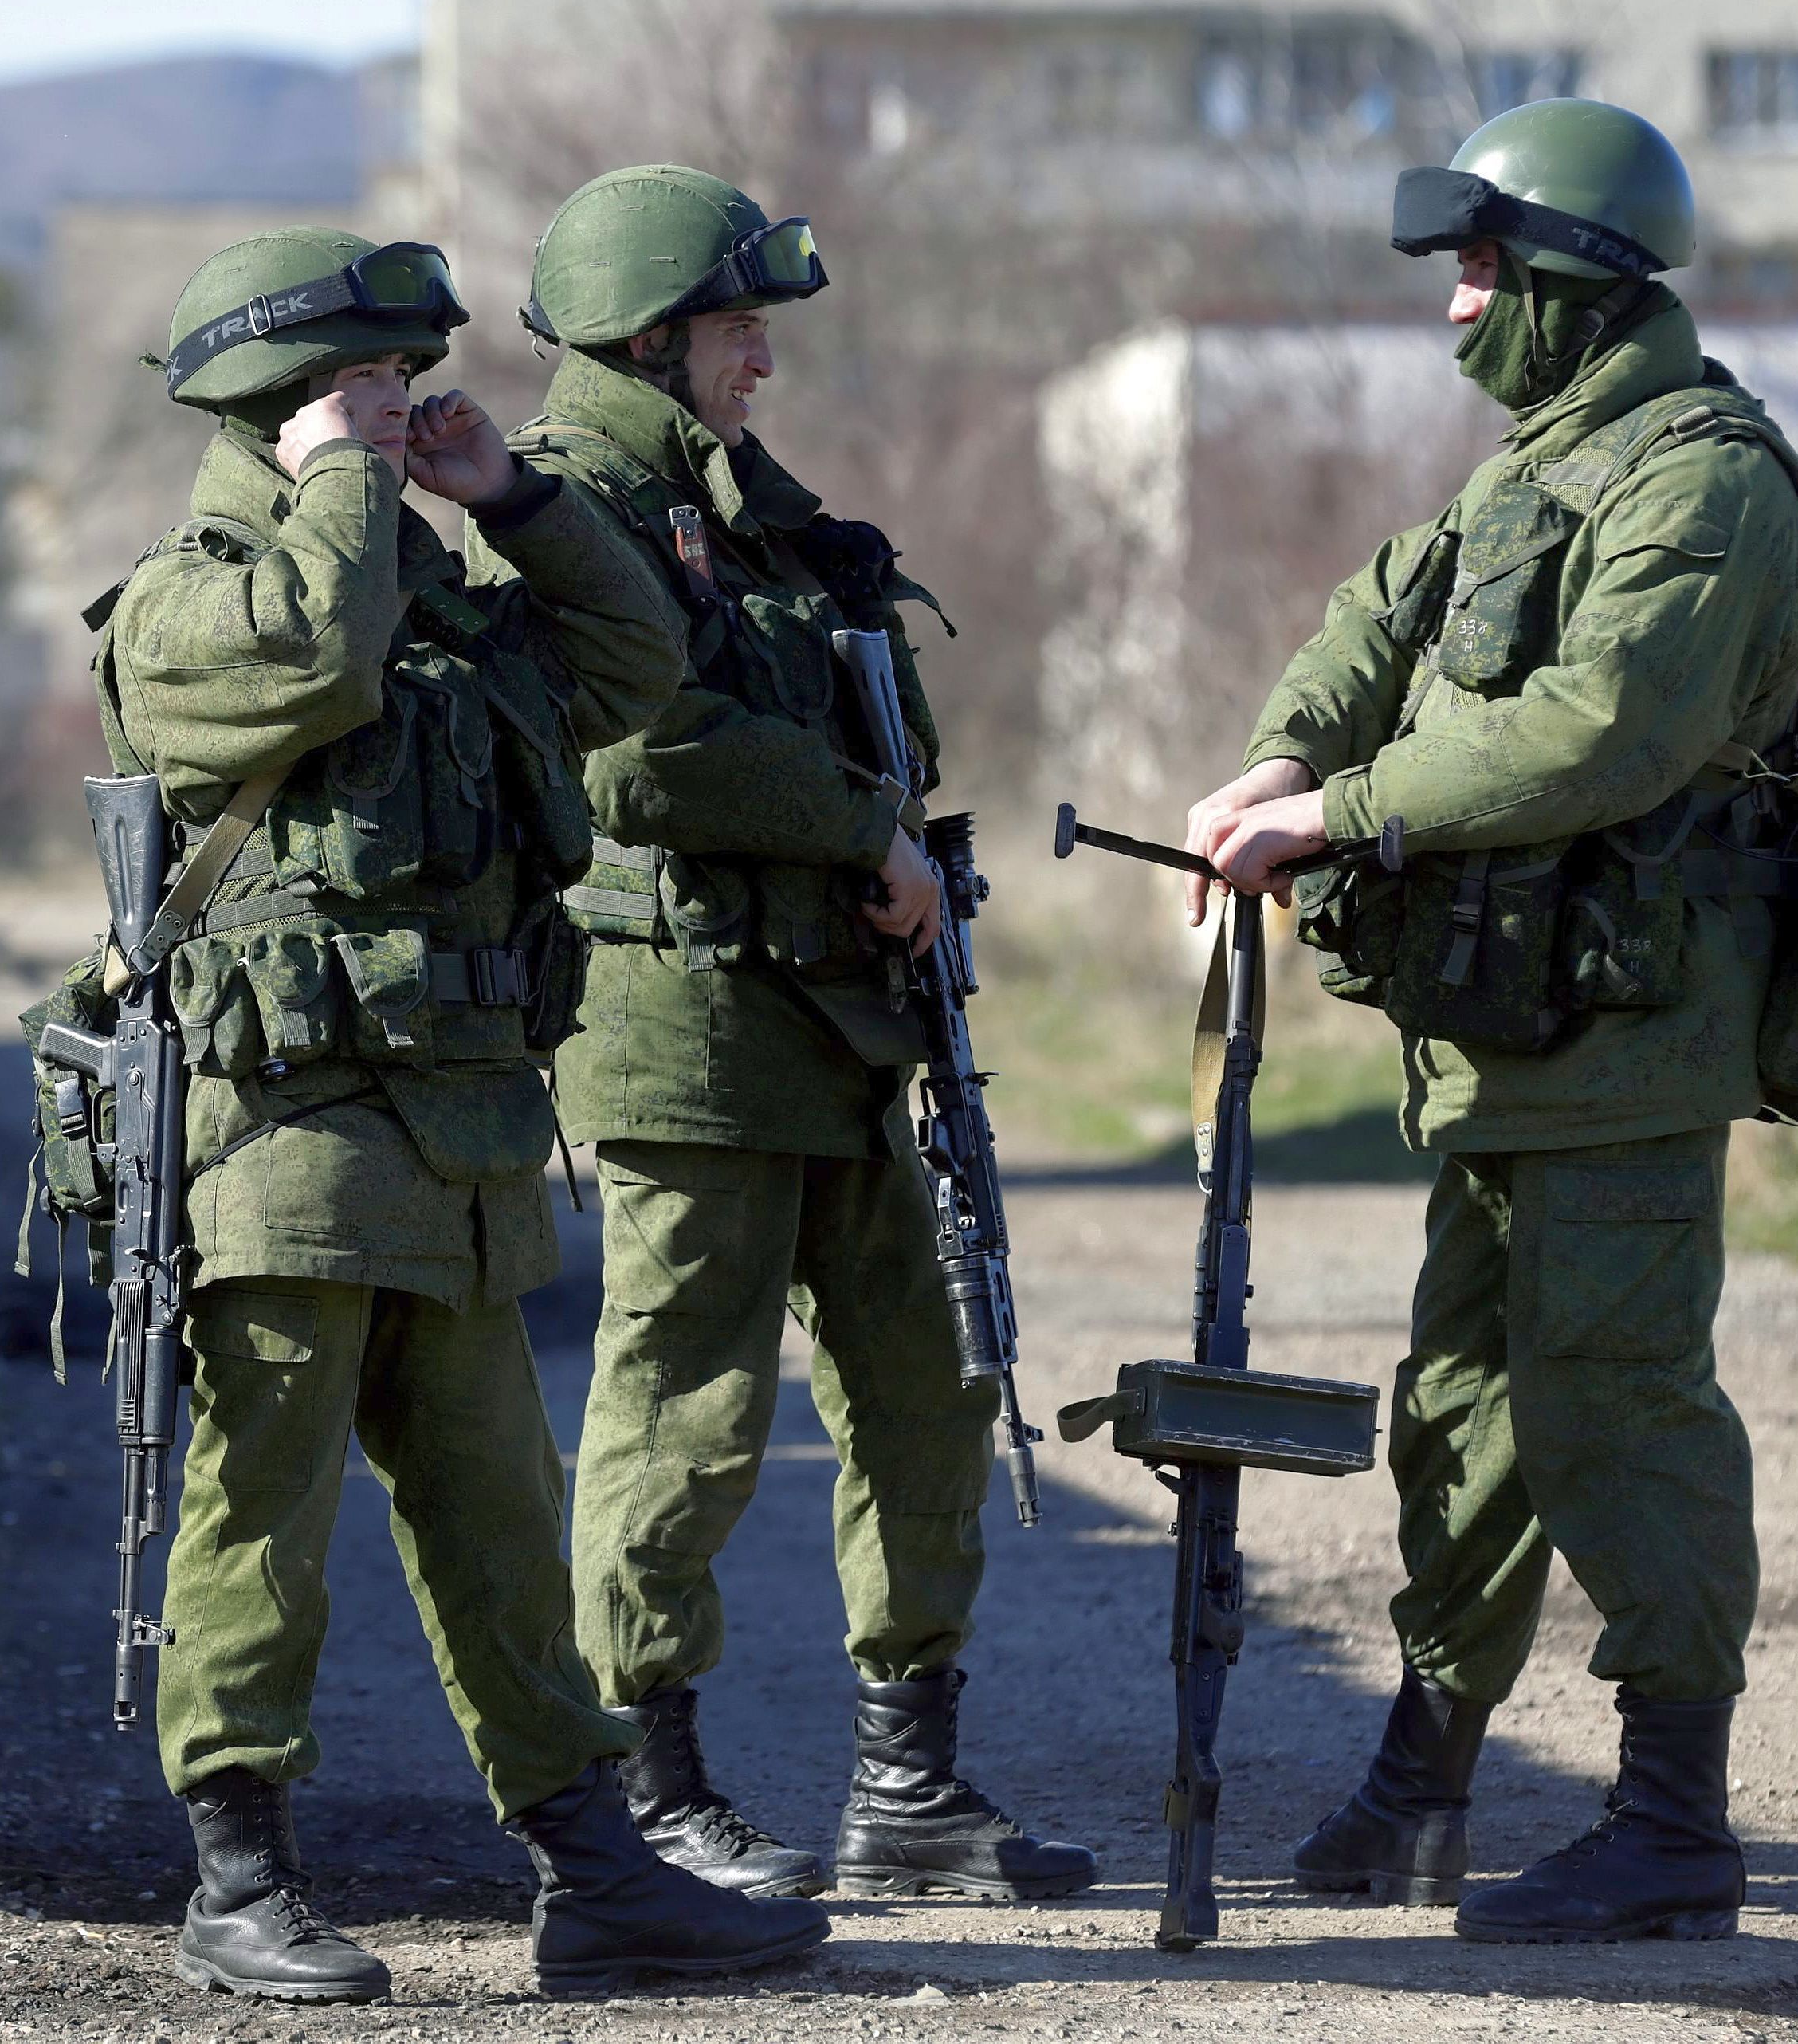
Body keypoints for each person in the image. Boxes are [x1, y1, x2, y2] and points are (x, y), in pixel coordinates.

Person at [93, 227, 830, 1999]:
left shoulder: (420, 591)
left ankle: (594, 1871)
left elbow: (632, 669)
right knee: (260, 1506)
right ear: (285, 403)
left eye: (403, 390)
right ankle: (236, 1875)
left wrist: (511, 502)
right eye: (365, 388)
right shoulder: (190, 599)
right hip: (285, 1135)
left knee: (503, 1513)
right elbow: (313, 669)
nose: (398, 412)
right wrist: (343, 485)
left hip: (463, 1134)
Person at [1183, 101, 1798, 1944]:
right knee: (1463, 1407)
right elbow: (1382, 618)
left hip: (1632, 1029)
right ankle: (1427, 1770)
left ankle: (1672, 1821)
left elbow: (1598, 728)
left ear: (1572, 279)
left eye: (1481, 269)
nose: (1456, 307)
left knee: (1613, 1402)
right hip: (1507, 1035)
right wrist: (1287, 747)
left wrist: (1342, 814)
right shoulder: (1539, 468)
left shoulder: (1695, 481)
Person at [469, 167, 1097, 1904]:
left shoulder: (736, 505)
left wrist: (885, 833)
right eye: (741, 325)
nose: (765, 357)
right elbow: (633, 755)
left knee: (919, 1377)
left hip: (832, 1021)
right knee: (685, 1407)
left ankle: (908, 1787)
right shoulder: (568, 497)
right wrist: (858, 827)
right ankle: (648, 1794)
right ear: (653, 335)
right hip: (682, 1028)